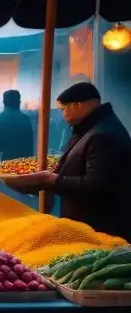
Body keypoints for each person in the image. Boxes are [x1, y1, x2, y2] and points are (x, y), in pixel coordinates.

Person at [28, 82, 131, 241]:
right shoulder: (90, 129)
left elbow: (94, 185)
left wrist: (52, 180)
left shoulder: (103, 135)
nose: (62, 114)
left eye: (63, 109)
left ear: (76, 105)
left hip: (100, 231)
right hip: (87, 227)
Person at [0, 89, 33, 166]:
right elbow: (31, 146)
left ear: (4, 102)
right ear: (19, 102)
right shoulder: (27, 120)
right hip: (22, 166)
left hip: (0, 165)